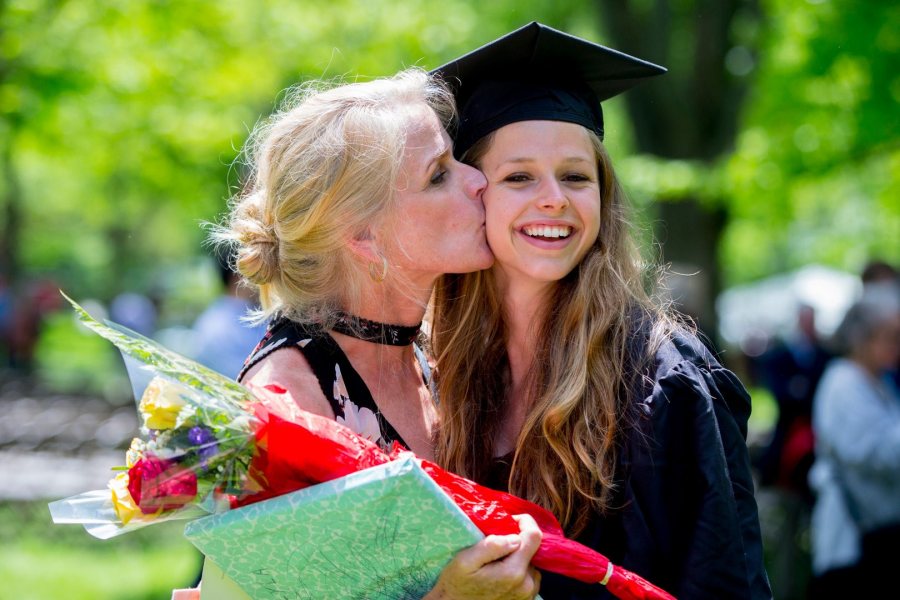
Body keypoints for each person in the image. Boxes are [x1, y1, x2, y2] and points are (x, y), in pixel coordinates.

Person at [429, 22, 772, 599]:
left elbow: (724, 581)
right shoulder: (435, 373)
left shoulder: (663, 380)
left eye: (575, 176)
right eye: (519, 176)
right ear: (473, 194)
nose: (554, 198)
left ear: (603, 196)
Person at [173, 68, 542, 600]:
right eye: (439, 174)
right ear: (365, 237)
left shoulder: (437, 345)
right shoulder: (286, 401)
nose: (479, 179)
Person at [807, 283, 900, 598]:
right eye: (891, 336)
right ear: (864, 337)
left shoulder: (878, 380)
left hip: (877, 539)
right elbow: (872, 453)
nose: (897, 346)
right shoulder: (843, 382)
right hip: (852, 546)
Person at [190, 249, 268, 379]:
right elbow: (244, 380)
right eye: (260, 269)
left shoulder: (251, 315)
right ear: (240, 273)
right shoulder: (218, 326)